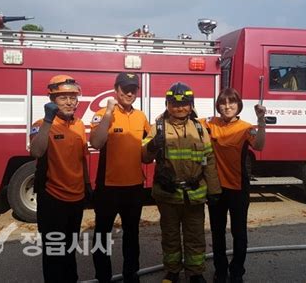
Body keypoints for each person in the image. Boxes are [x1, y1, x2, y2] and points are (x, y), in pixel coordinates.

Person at [142, 82, 222, 283]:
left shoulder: (199, 128)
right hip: (167, 195)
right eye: (175, 104)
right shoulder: (158, 127)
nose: (180, 108)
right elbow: (143, 157)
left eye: (184, 104)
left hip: (193, 195)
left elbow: (209, 160)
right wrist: (152, 145)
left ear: (191, 105)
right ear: (167, 105)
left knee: (195, 236)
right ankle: (172, 271)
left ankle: (195, 273)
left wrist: (214, 190)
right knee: (170, 236)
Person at [90, 72, 150, 283]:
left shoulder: (141, 117)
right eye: (125, 88)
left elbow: (147, 153)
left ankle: (130, 274)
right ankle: (103, 277)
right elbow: (96, 143)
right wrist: (108, 113)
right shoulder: (101, 113)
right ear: (116, 90)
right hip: (108, 187)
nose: (129, 93)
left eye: (133, 89)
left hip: (134, 186)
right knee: (102, 235)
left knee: (131, 235)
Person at [200, 88, 266, 283]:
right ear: (218, 105)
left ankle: (237, 272)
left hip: (238, 188)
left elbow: (260, 145)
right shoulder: (209, 124)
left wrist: (261, 120)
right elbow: (187, 119)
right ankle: (220, 271)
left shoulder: (246, 128)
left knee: (239, 233)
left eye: (232, 103)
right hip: (216, 189)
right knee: (217, 232)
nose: (227, 106)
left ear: (238, 106)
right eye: (223, 103)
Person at [30, 75, 88, 283]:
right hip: (53, 199)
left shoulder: (80, 125)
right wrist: (47, 120)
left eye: (73, 97)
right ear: (51, 100)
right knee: (54, 254)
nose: (70, 102)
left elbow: (82, 160)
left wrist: (88, 188)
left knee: (70, 250)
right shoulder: (41, 125)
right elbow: (36, 152)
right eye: (63, 97)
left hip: (76, 199)